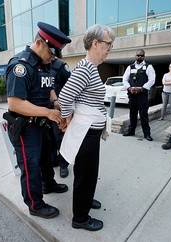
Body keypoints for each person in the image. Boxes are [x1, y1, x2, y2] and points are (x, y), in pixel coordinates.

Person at [4, 22, 71, 219]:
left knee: (46, 158)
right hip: (25, 127)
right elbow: (15, 103)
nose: (53, 57)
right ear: (39, 42)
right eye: (51, 51)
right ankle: (35, 204)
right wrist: (47, 112)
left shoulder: (45, 64)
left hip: (41, 122)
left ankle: (48, 184)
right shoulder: (21, 66)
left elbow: (48, 87)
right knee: (30, 165)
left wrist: (56, 102)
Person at [58, 24, 116, 231]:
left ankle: (86, 200)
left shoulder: (91, 67)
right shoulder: (85, 68)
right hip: (85, 133)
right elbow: (65, 97)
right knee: (86, 175)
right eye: (109, 43)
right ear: (95, 43)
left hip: (90, 131)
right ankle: (80, 218)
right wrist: (66, 119)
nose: (111, 48)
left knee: (89, 173)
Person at [122, 49, 156, 141]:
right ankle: (131, 131)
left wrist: (141, 88)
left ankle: (147, 134)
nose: (139, 57)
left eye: (141, 55)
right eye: (138, 55)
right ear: (135, 56)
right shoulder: (130, 67)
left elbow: (152, 80)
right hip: (132, 95)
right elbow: (124, 79)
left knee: (143, 115)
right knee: (132, 114)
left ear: (144, 56)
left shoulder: (148, 67)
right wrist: (129, 88)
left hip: (142, 96)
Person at [50, 58, 70, 178]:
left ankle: (63, 164)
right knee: (49, 138)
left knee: (60, 138)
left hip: (59, 109)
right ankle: (53, 160)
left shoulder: (60, 66)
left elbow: (71, 87)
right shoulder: (39, 65)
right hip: (44, 109)